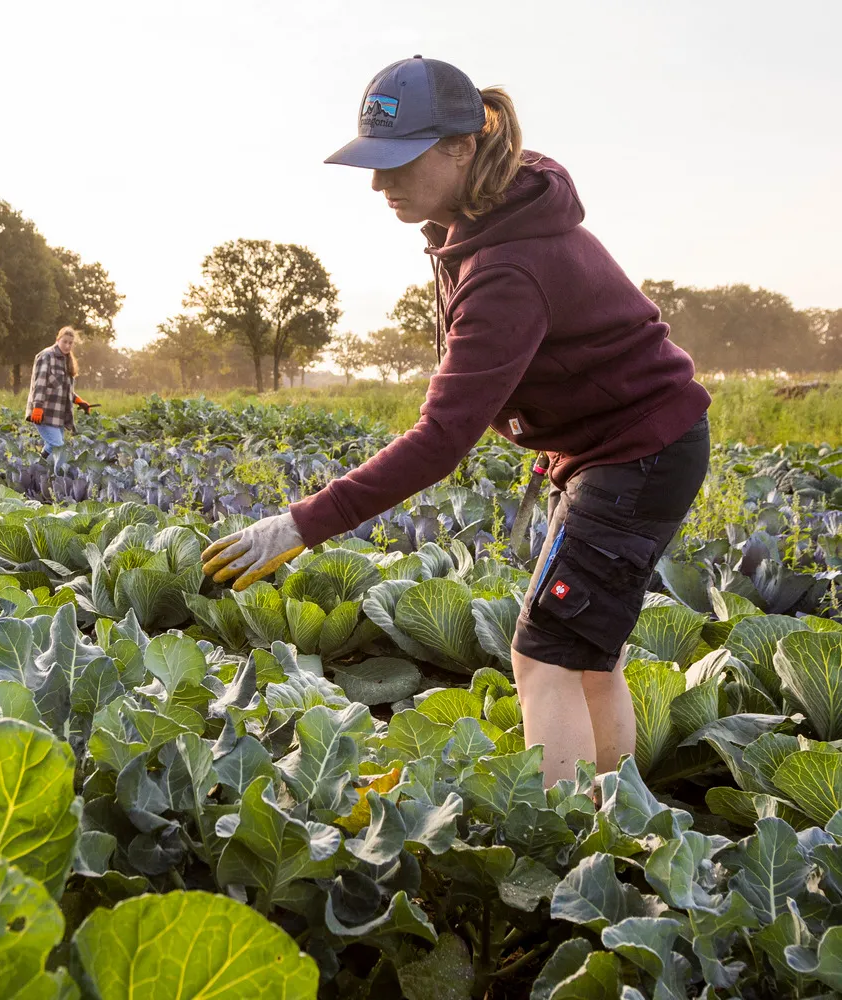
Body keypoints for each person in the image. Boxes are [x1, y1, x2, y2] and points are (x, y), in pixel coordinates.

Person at [201, 56, 709, 788]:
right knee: (589, 652)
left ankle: (560, 841)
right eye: (373, 164)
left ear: (463, 148)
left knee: (544, 657)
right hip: (619, 448)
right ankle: (615, 820)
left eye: (400, 162)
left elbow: (442, 439)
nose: (380, 184)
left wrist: (299, 525)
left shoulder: (507, 264)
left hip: (636, 455)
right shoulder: (481, 216)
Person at [25, 326, 99, 469]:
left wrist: (79, 401)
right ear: (58, 339)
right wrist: (38, 406)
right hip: (43, 413)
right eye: (64, 342)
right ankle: (48, 473)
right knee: (58, 446)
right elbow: (39, 384)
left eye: (70, 343)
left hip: (57, 415)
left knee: (52, 446)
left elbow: (65, 389)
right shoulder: (46, 356)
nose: (67, 345)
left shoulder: (67, 361)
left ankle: (35, 470)